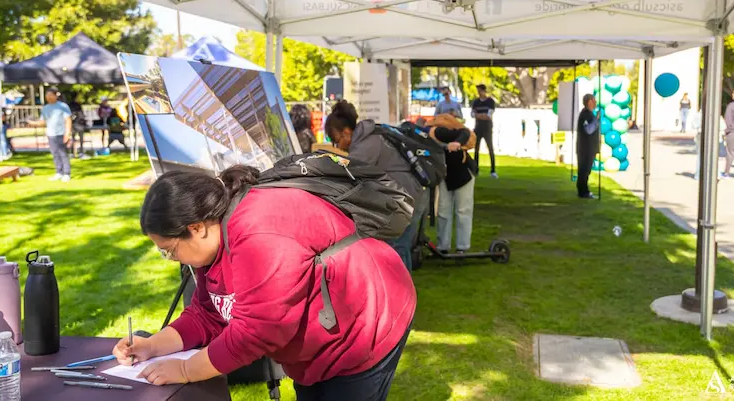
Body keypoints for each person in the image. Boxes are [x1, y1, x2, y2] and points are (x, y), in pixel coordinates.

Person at [112, 166, 416, 400]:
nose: (172, 258)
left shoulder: (258, 232)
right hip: (324, 330)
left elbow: (257, 331)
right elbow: (208, 313)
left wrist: (185, 369)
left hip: (367, 322)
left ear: (196, 227)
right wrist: (152, 346)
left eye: (169, 249)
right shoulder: (215, 241)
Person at [325, 101, 425, 271]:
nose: (337, 147)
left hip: (404, 201)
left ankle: (399, 295)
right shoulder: (369, 137)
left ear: (347, 132)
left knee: (396, 250)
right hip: (409, 197)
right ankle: (402, 293)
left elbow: (349, 176)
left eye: (336, 141)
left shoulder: (366, 144)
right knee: (399, 249)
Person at [425, 113, 476, 254]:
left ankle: (459, 246)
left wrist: (457, 143)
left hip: (462, 173)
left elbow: (465, 133)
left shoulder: (439, 132)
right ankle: (448, 246)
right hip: (446, 174)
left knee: (458, 210)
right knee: (448, 210)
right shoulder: (435, 132)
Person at [28, 88, 71, 182]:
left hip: (61, 133)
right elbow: (43, 122)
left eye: (50, 95)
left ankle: (66, 173)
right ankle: (59, 172)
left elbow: (68, 120)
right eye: (47, 95)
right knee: (55, 153)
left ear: (56, 95)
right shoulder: (45, 108)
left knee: (63, 153)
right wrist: (33, 123)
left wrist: (67, 133)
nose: (48, 97)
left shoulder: (63, 106)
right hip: (51, 134)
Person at [576, 94, 600, 198]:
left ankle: (583, 190)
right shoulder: (586, 115)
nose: (595, 103)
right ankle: (583, 192)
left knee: (585, 170)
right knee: (584, 170)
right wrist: (597, 120)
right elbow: (588, 130)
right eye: (594, 100)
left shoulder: (589, 114)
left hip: (588, 148)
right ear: (590, 102)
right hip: (586, 148)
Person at [471, 84, 497, 179]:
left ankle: (493, 170)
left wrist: (479, 115)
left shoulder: (490, 101)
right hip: (478, 127)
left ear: (484, 91)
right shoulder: (475, 102)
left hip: (487, 128)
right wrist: (482, 115)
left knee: (490, 148)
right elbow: (473, 114)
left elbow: (488, 115)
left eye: (479, 91)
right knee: (476, 149)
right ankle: (476, 169)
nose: (478, 93)